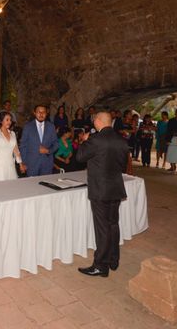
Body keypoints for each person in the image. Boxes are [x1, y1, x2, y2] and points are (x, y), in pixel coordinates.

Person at [76, 112, 127, 277]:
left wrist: (84, 141)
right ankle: (113, 259)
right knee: (113, 224)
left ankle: (100, 265)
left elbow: (80, 157)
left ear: (98, 121)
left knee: (102, 228)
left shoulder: (95, 139)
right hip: (116, 188)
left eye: (94, 120)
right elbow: (122, 164)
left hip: (100, 189)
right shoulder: (121, 139)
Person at [0, 112, 25, 181]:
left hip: (10, 165)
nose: (9, 122)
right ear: (1, 121)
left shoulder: (12, 134)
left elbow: (16, 151)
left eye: (10, 120)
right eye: (7, 120)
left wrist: (21, 164)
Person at [19, 104, 59, 177]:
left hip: (47, 164)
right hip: (31, 164)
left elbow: (56, 143)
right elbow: (23, 146)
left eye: (43, 112)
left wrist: (48, 151)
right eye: (38, 112)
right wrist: (23, 163)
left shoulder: (51, 126)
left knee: (46, 186)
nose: (41, 114)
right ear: (34, 113)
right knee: (32, 186)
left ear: (46, 113)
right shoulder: (28, 127)